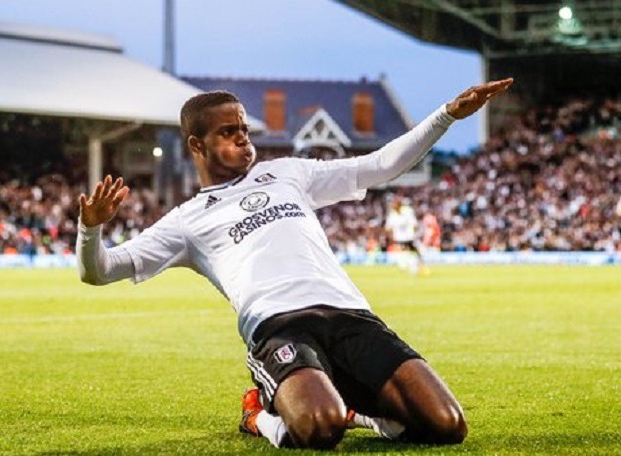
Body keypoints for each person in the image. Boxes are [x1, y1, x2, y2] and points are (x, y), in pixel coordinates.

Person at [76, 78, 514, 450]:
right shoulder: (187, 220)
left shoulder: (288, 173)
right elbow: (99, 271)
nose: (243, 138)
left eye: (244, 129)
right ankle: (259, 416)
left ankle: (355, 410)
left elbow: (378, 166)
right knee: (319, 429)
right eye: (228, 132)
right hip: (279, 327)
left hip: (352, 317)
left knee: (447, 426)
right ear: (197, 145)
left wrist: (448, 114)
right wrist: (89, 229)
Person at [385, 196, 428, 275]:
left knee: (411, 252)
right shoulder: (393, 214)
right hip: (401, 238)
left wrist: (414, 233)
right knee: (410, 252)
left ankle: (413, 266)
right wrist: (391, 237)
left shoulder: (406, 212)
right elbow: (388, 228)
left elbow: (414, 224)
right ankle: (413, 267)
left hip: (408, 237)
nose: (394, 206)